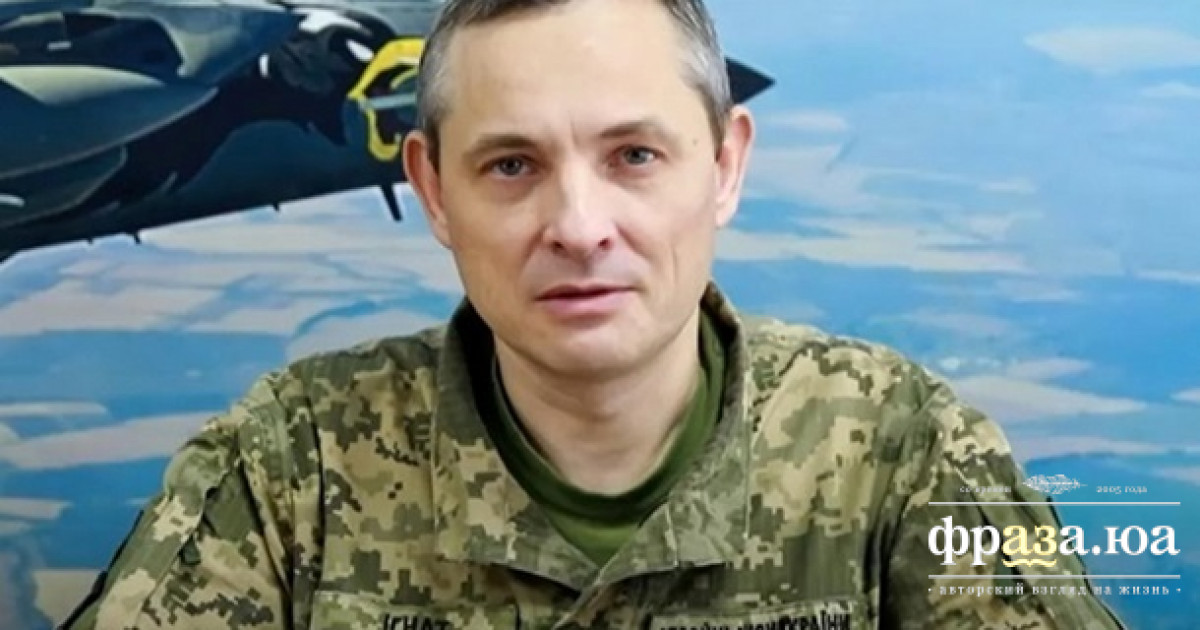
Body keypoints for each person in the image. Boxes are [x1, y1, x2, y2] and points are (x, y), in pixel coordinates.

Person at [62, 0, 1128, 628]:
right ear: (434, 191)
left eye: (634, 156)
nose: (578, 227)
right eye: (512, 165)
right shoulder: (291, 470)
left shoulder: (898, 452)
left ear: (725, 167)